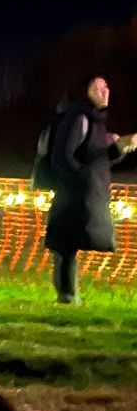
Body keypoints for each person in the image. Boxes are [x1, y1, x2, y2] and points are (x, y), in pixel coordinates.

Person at [42, 76, 136, 304]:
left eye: (106, 87)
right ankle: (66, 296)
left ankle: (68, 295)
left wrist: (119, 148)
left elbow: (97, 159)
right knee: (66, 243)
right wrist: (81, 181)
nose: (105, 91)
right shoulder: (78, 118)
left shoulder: (95, 122)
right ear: (85, 92)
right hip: (74, 192)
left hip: (86, 191)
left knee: (71, 242)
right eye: (98, 88)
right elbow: (62, 158)